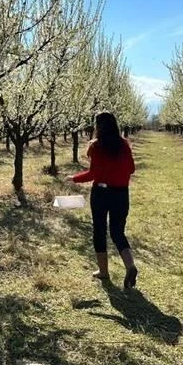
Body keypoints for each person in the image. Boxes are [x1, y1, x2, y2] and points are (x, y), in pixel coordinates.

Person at [66, 111, 138, 289]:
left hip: (101, 193)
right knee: (117, 232)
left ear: (98, 127)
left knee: (99, 230)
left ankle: (103, 272)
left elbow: (93, 174)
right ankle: (130, 266)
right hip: (121, 193)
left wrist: (74, 178)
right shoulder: (124, 145)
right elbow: (131, 169)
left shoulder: (96, 146)